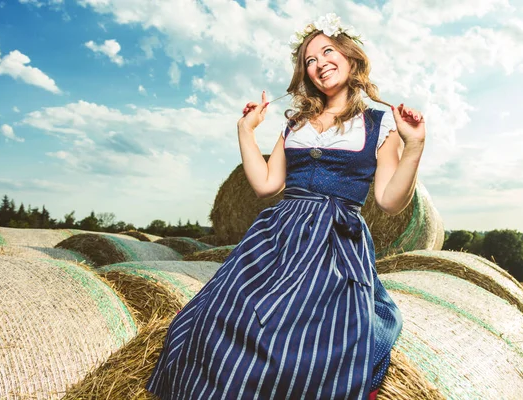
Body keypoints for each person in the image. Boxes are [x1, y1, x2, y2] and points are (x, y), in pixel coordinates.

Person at [147, 12, 425, 400]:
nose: (318, 65)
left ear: (351, 57)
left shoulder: (381, 124)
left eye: (327, 52)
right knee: (214, 320)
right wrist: (245, 132)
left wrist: (414, 145)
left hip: (333, 243)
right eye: (309, 61)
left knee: (300, 343)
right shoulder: (295, 124)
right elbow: (265, 185)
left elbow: (389, 201)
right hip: (277, 236)